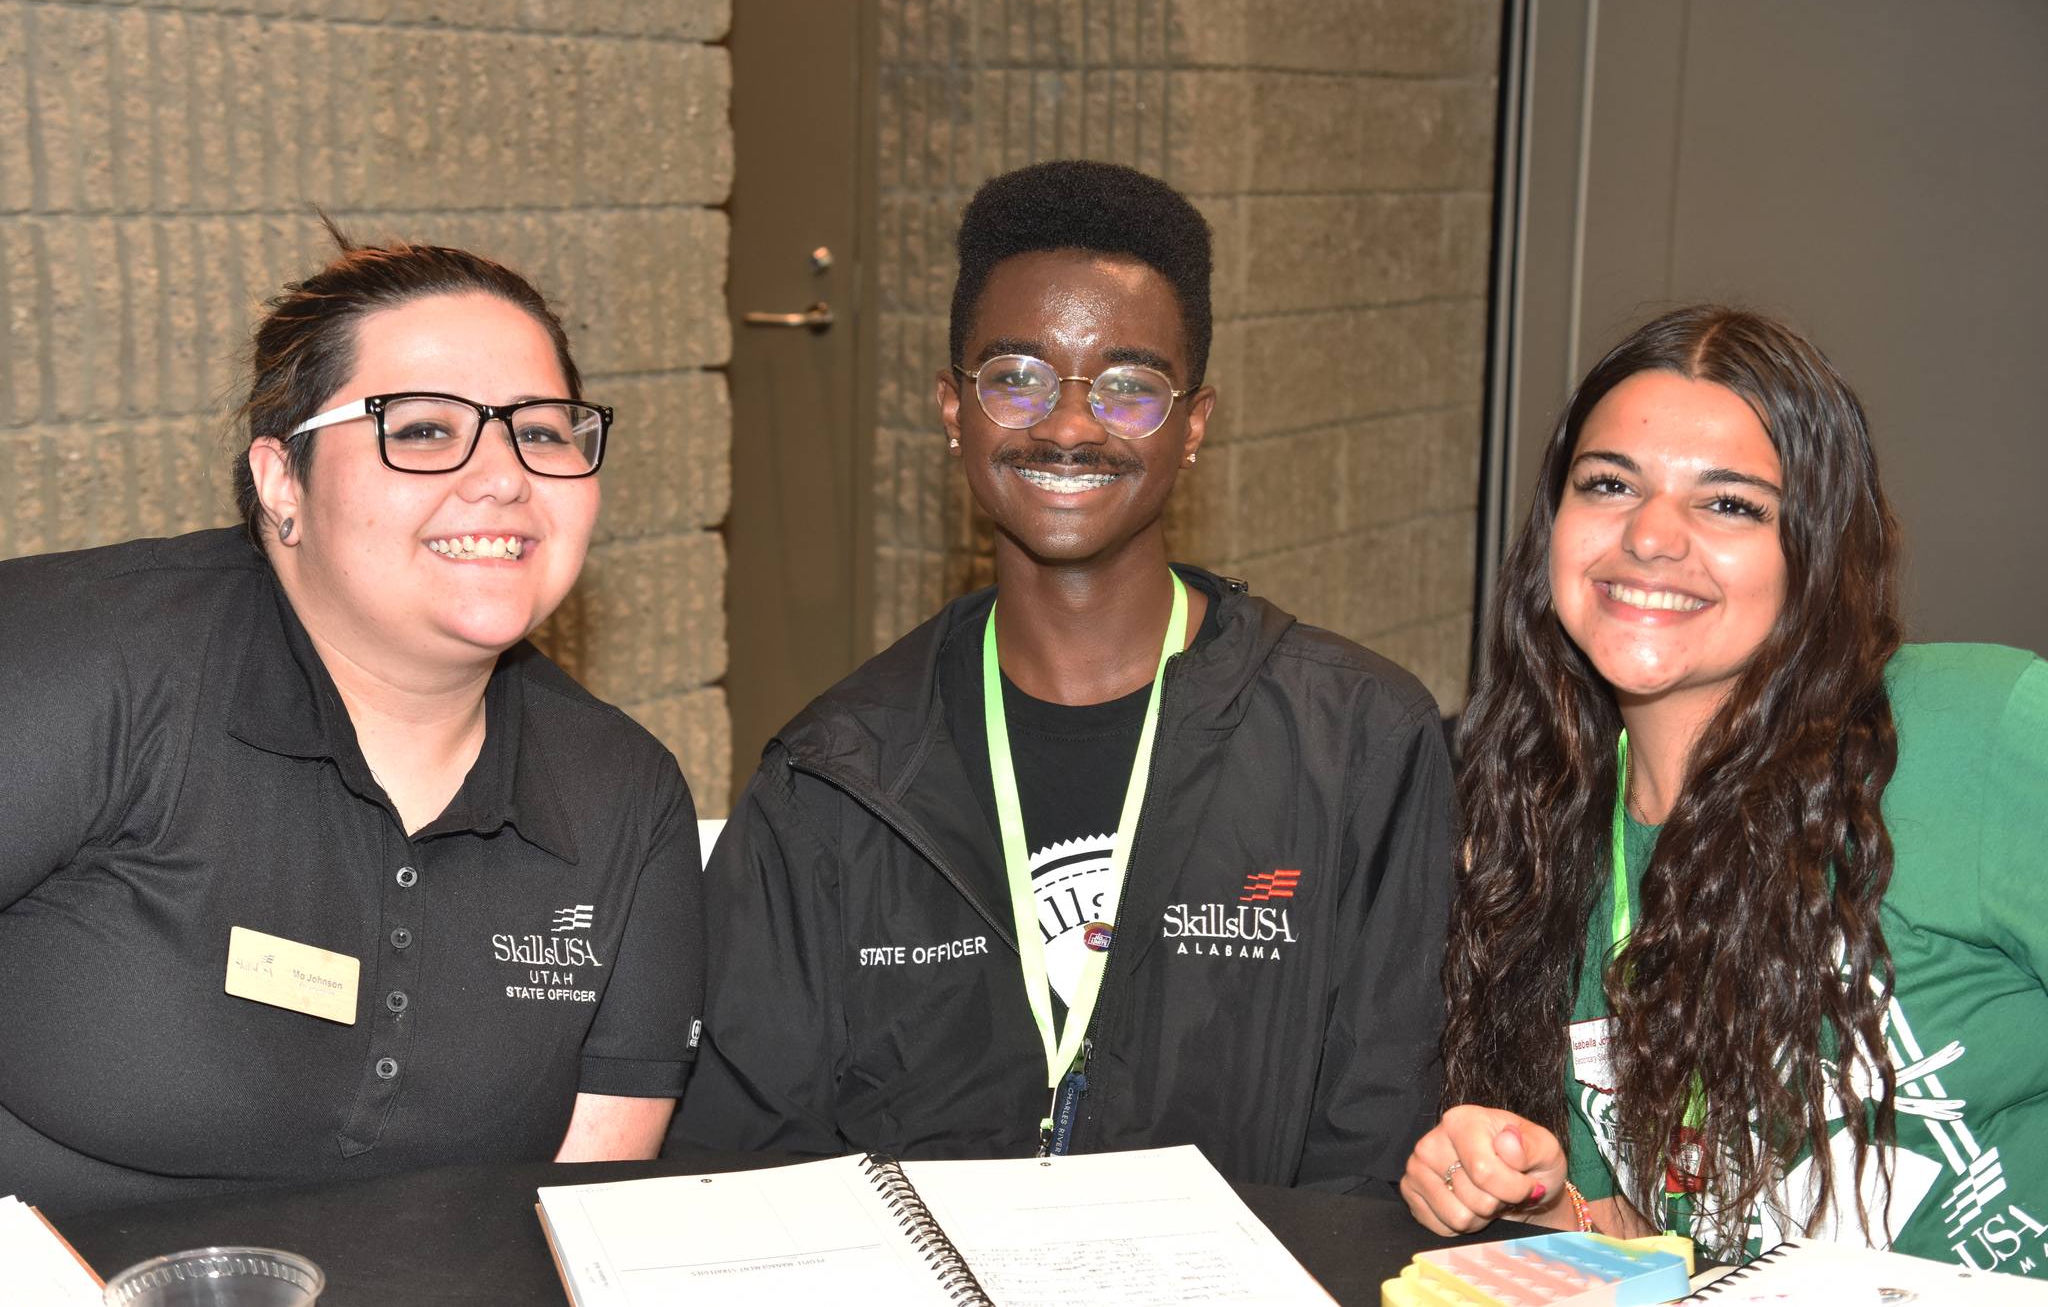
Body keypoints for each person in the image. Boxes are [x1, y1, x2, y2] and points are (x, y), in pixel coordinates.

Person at [673, 159, 1453, 1192]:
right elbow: (746, 1170)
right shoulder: (832, 778)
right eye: (1016, 377)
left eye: (1129, 387)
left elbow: (1377, 1146)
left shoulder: (1358, 743)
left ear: (1194, 424)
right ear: (953, 410)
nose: (1071, 424)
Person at [0, 231, 704, 1217]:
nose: (503, 477)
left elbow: (589, 1214)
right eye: (420, 431)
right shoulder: (84, 662)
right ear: (282, 480)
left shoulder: (623, 795)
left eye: (542, 432)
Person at [1401, 305, 2048, 1277]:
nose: (1650, 537)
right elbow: (1676, 1237)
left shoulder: (1982, 730)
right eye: (1608, 484)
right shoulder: (1531, 842)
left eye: (1729, 503)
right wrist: (1540, 1198)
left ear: (1816, 550)